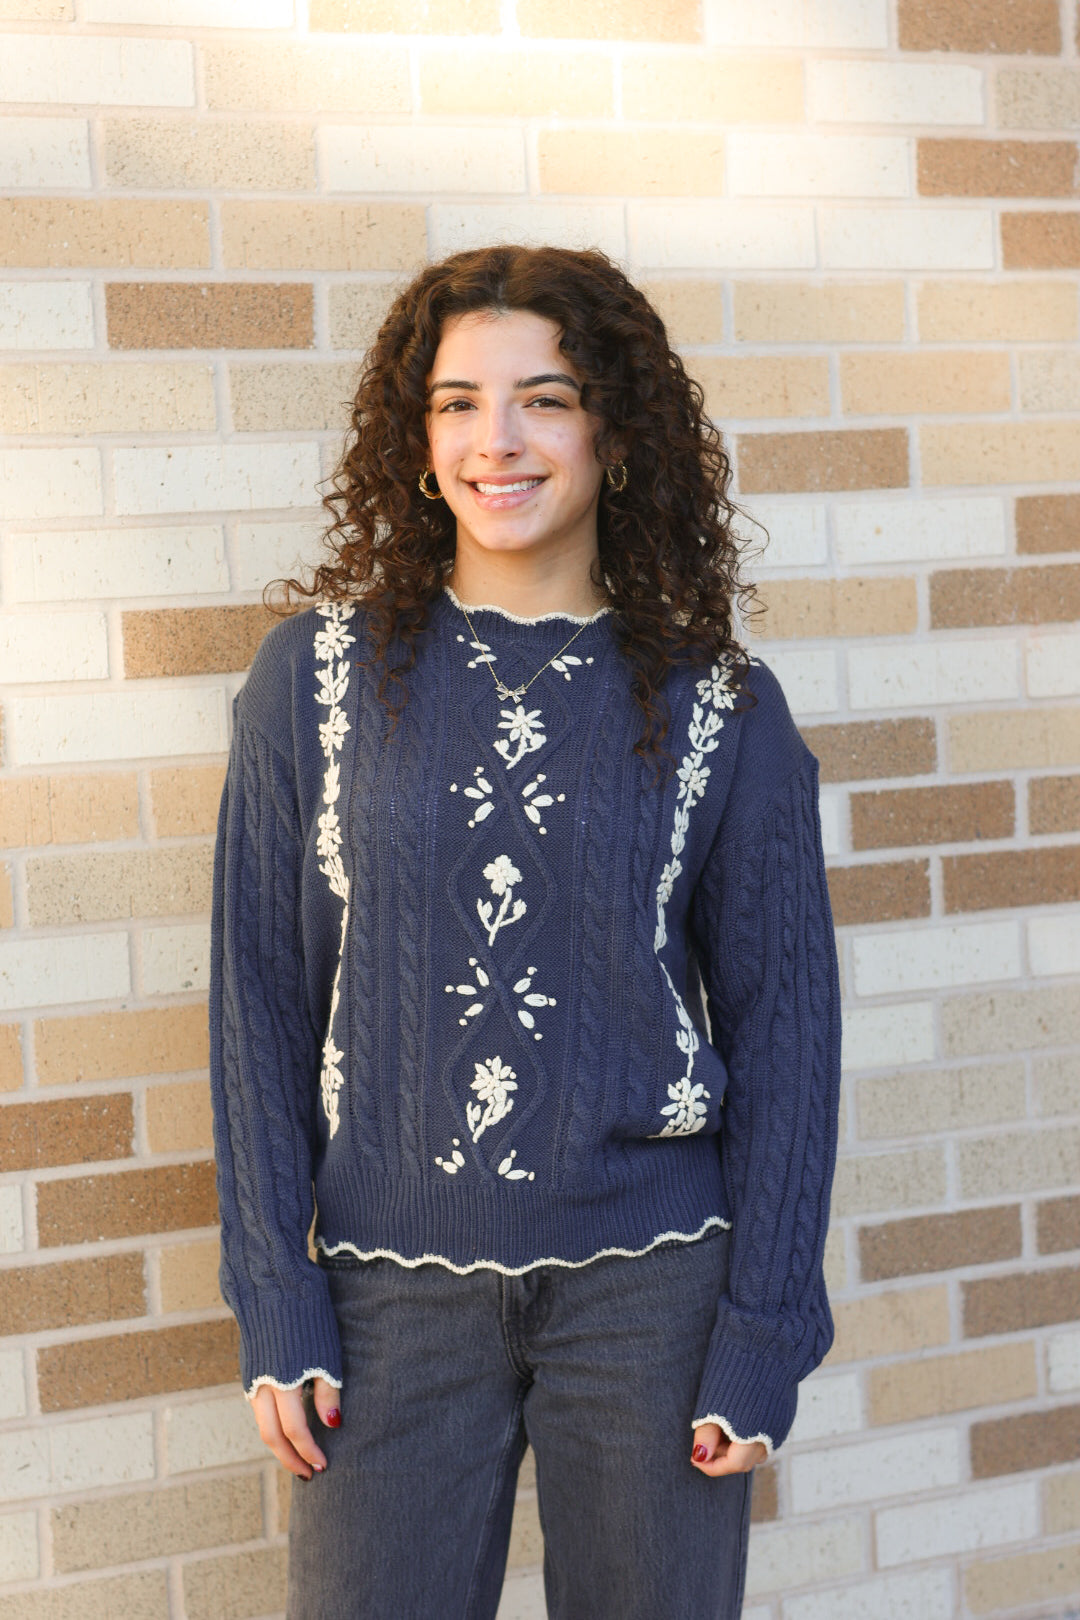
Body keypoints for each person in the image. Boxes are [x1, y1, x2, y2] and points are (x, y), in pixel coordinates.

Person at [209, 243, 842, 1620]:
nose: (495, 439)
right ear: (415, 438)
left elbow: (790, 1033)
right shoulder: (309, 683)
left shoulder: (719, 705)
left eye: (543, 398)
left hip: (656, 1302)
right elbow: (256, 1000)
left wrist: (765, 1330)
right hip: (385, 1299)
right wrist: (277, 1296)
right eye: (455, 403)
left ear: (614, 431)